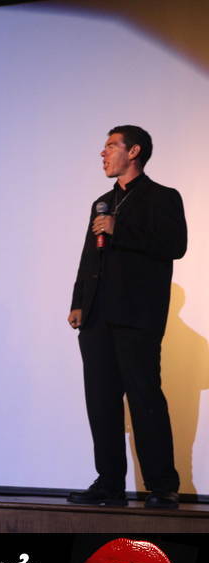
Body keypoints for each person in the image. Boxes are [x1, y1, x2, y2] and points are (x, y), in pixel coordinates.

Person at [67, 126, 187, 509]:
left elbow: (175, 245)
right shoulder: (102, 202)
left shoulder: (163, 197)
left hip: (137, 317)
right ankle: (109, 483)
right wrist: (78, 302)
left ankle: (162, 486)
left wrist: (121, 229)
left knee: (144, 398)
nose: (102, 153)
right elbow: (89, 256)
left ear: (133, 151)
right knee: (101, 402)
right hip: (97, 317)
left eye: (110, 146)